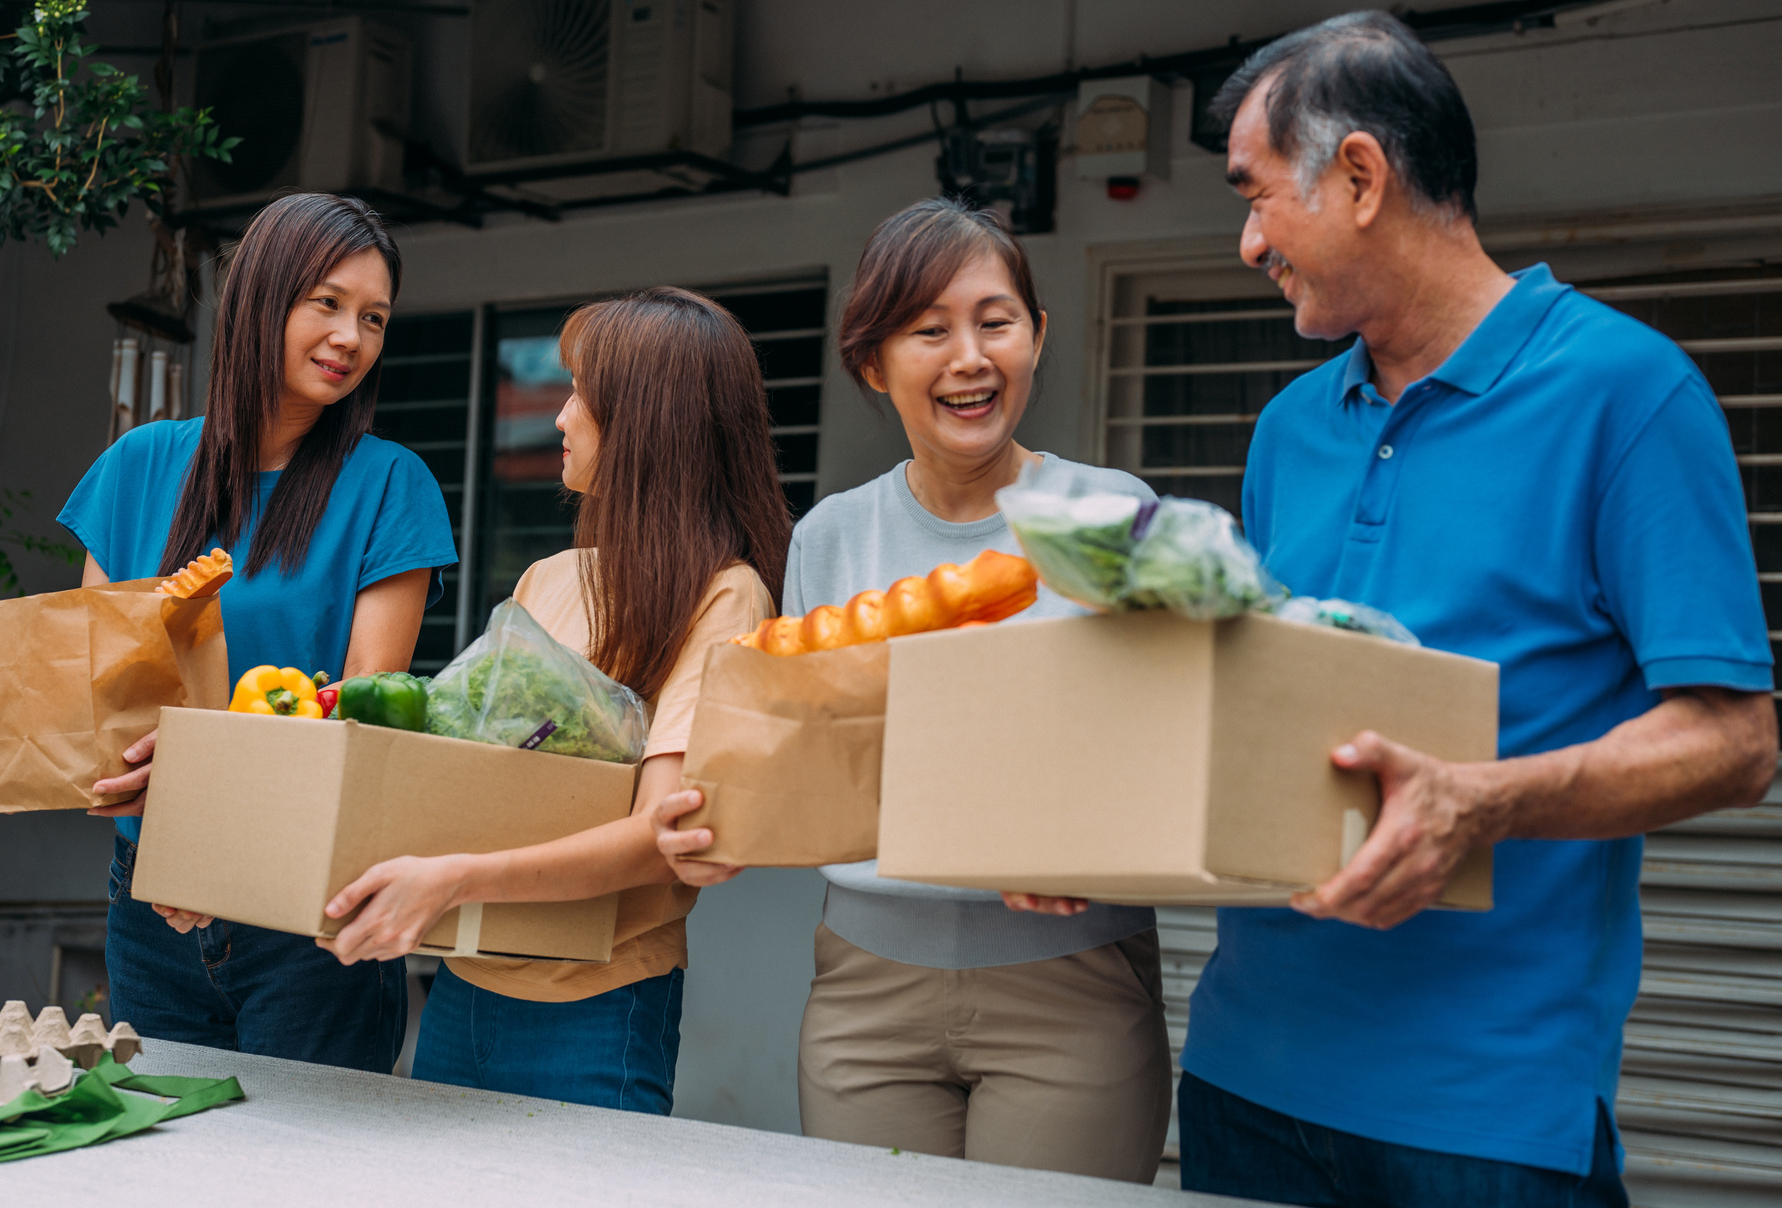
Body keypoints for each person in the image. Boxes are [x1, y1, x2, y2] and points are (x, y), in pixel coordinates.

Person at [1100, 13, 1771, 1207]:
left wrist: (1482, 799)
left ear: (1360, 175)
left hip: (1487, 1115)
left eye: (1257, 196)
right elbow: (1252, 711)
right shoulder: (1289, 428)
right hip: (1247, 1076)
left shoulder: (1630, 393)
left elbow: (1734, 739)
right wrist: (1083, 832)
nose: (1249, 240)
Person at [656, 198, 1172, 1182]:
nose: (968, 355)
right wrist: (715, 819)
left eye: (995, 320)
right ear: (871, 361)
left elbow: (1159, 751)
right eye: (928, 330)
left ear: (1039, 335)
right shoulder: (831, 536)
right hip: (864, 989)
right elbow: (815, 761)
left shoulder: (1114, 516)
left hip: (1070, 979)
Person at [314, 287, 788, 1115]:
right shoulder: (549, 578)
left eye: (581, 395)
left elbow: (658, 836)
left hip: (598, 1005)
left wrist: (453, 878)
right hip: (465, 982)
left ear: (646, 422)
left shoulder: (728, 595)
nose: (560, 417)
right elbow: (470, 772)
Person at [51, 193, 456, 1070]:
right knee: (167, 1164)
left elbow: (361, 721)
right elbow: (99, 691)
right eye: (327, 302)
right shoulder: (137, 466)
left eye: (374, 318)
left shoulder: (391, 485)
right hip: (149, 896)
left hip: (310, 903)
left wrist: (214, 838)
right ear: (259, 297)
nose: (351, 336)